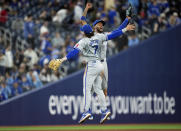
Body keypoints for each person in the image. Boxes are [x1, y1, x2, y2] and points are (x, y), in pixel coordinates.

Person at [49, 18, 134, 124]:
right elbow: (113, 35)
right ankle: (104, 110)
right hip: (100, 65)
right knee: (98, 89)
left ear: (84, 32)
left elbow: (73, 53)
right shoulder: (99, 37)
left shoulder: (83, 41)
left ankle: (86, 111)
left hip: (92, 65)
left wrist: (61, 59)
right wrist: (125, 29)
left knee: (86, 90)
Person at [80, 3, 133, 120]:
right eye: (99, 24)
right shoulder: (91, 35)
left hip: (102, 63)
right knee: (95, 88)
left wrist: (126, 20)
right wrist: (86, 9)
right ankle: (102, 111)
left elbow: (117, 31)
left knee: (103, 88)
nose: (101, 25)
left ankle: (102, 111)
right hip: (95, 63)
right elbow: (82, 20)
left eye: (102, 24)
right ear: (94, 26)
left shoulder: (104, 35)